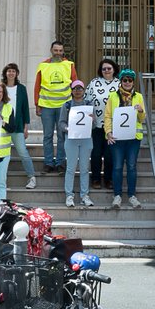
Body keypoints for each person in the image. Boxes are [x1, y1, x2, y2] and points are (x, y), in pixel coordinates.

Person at [105, 67, 146, 209]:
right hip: (117, 137)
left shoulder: (139, 96)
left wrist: (141, 111)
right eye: (125, 80)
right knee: (117, 166)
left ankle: (132, 195)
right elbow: (108, 115)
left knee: (131, 166)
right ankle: (117, 195)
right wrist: (108, 132)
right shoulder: (113, 96)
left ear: (133, 82)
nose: (127, 82)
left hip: (133, 138)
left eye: (130, 80)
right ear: (121, 81)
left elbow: (142, 118)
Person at [34, 40, 77, 173]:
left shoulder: (69, 65)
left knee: (61, 136)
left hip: (64, 106)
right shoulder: (43, 65)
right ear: (51, 50)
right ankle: (48, 163)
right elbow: (37, 85)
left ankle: (60, 163)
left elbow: (75, 84)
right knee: (47, 136)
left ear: (63, 51)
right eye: (55, 50)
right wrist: (37, 104)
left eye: (60, 50)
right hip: (46, 105)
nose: (58, 53)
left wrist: (74, 105)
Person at [59, 80, 97, 208]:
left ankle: (84, 195)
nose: (78, 90)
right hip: (71, 139)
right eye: (75, 88)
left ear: (84, 90)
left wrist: (92, 120)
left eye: (80, 88)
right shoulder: (67, 105)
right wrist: (68, 129)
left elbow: (95, 125)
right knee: (70, 168)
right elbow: (61, 123)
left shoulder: (89, 104)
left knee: (85, 168)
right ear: (72, 90)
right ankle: (69, 195)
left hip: (86, 138)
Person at [1, 63, 37, 190]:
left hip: (17, 126)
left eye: (13, 71)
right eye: (9, 71)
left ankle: (31, 177)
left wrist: (26, 126)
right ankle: (1, 180)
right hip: (2, 126)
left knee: (23, 152)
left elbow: (25, 108)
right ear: (5, 73)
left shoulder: (21, 88)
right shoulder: (1, 87)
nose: (11, 73)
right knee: (2, 154)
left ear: (17, 73)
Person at [85, 58, 119, 190]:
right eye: (104, 69)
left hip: (113, 125)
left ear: (114, 69)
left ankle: (109, 179)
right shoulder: (94, 82)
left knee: (110, 155)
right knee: (96, 154)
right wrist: (89, 113)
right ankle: (95, 179)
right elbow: (86, 99)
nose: (106, 71)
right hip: (97, 125)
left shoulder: (119, 84)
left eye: (109, 68)